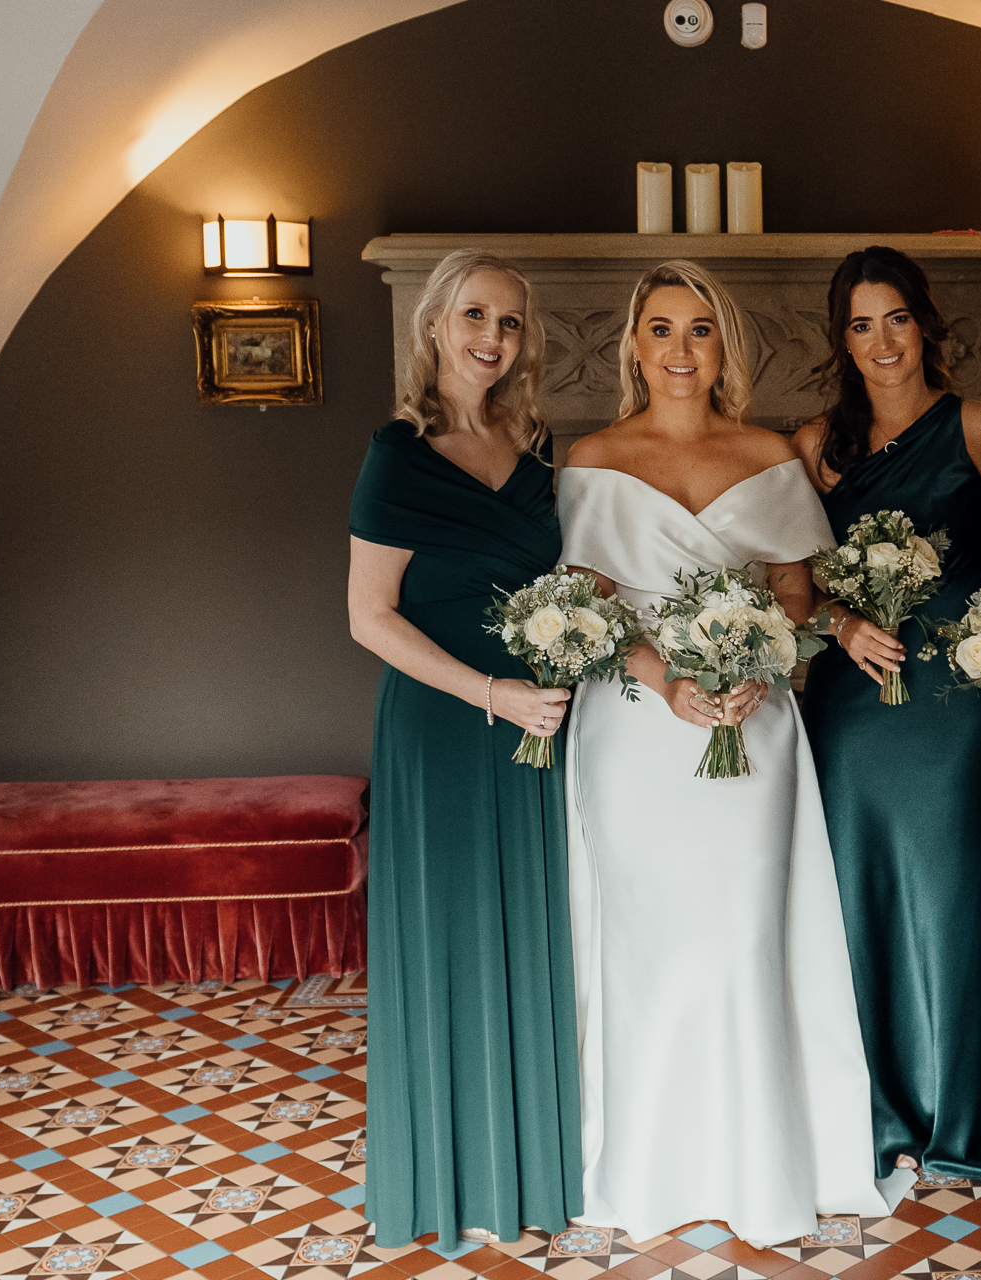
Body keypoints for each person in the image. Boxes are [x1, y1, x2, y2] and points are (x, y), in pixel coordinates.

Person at [558, 260, 913, 1246]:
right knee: (648, 943)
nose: (680, 350)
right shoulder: (588, 457)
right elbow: (582, 602)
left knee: (744, 933)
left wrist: (765, 656)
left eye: (701, 330)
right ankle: (641, 1159)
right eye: (662, 329)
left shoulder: (766, 453)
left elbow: (796, 591)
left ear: (726, 347)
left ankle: (762, 1159)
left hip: (751, 724)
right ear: (635, 344)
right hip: (632, 726)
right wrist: (664, 676)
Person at [347, 249, 580, 1248]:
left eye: (512, 322)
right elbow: (368, 616)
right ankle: (444, 1176)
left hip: (533, 726)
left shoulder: (534, 455)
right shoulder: (397, 454)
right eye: (476, 314)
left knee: (527, 935)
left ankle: (532, 1168)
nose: (493, 336)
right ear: (436, 322)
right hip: (449, 724)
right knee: (449, 938)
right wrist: (492, 691)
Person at [792, 246, 981, 1181]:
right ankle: (877, 1117)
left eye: (895, 318)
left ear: (925, 322)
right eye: (859, 324)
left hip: (952, 705)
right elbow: (789, 582)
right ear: (841, 340)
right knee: (857, 897)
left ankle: (957, 1121)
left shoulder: (977, 425)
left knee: (953, 897)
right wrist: (841, 623)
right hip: (852, 705)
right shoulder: (813, 446)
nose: (881, 341)